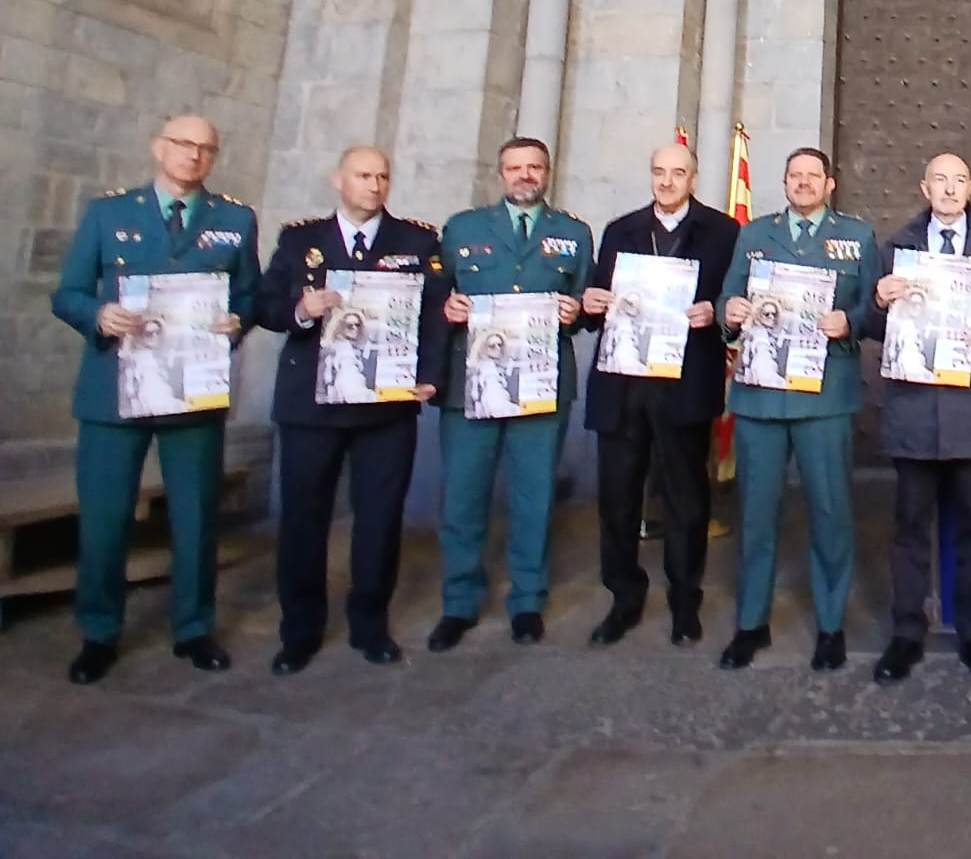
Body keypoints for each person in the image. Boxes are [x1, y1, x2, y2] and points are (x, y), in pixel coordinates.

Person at [50, 114, 259, 684]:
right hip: (114, 391)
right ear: (158, 148)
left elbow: (249, 294)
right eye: (183, 144)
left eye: (205, 149)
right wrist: (98, 314)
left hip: (192, 391)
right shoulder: (108, 213)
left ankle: (194, 627)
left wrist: (238, 320)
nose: (193, 156)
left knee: (195, 518)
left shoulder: (235, 219)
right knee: (105, 518)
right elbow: (66, 293)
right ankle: (99, 631)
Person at [254, 146, 447, 675]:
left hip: (384, 408)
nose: (374, 185)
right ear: (339, 179)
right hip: (311, 405)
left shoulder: (417, 241)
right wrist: (300, 309)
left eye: (383, 176)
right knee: (303, 519)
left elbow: (435, 316)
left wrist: (430, 376)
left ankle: (370, 625)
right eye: (363, 175)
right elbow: (264, 304)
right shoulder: (301, 240)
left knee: (380, 519)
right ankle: (299, 630)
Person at [716, 147, 879, 672]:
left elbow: (875, 309)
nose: (804, 183)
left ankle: (831, 624)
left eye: (814, 176)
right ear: (784, 183)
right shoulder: (755, 234)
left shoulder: (857, 237)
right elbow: (727, 299)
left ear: (830, 184)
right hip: (761, 395)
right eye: (795, 176)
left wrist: (849, 322)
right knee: (757, 514)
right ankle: (750, 623)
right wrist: (732, 313)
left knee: (830, 512)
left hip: (825, 397)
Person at [427, 137, 593, 651]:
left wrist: (577, 312)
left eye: (534, 168)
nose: (524, 176)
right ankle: (458, 603)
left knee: (534, 494)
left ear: (547, 173)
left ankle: (527, 600)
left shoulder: (573, 233)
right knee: (463, 496)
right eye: (514, 168)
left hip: (541, 385)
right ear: (500, 174)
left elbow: (586, 302)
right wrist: (446, 308)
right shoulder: (463, 228)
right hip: (470, 384)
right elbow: (433, 295)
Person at [581, 142, 740, 648]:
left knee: (687, 501)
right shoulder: (620, 230)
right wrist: (592, 301)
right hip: (623, 386)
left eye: (678, 173)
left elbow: (737, 300)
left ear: (694, 178)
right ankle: (624, 598)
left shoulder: (723, 232)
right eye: (659, 172)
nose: (667, 181)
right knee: (618, 500)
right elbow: (594, 306)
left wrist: (716, 311)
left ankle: (684, 601)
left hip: (685, 385)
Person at [871, 152, 971, 685]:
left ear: (970, 187)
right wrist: (879, 299)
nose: (950, 189)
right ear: (924, 187)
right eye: (940, 181)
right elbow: (870, 322)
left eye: (958, 181)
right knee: (909, 527)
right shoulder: (899, 247)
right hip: (914, 410)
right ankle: (907, 633)